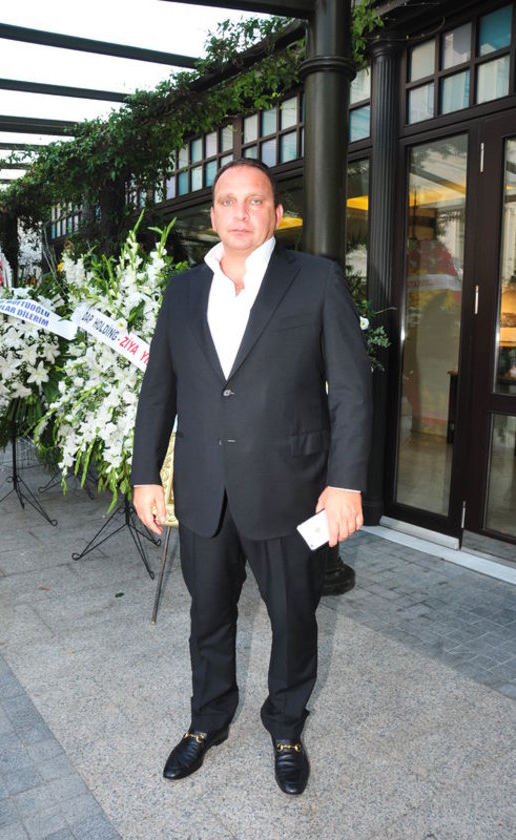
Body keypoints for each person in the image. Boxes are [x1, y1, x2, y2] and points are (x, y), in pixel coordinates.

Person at [131, 158, 372, 796]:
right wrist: (145, 474)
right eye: (228, 201)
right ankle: (208, 719)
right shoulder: (182, 291)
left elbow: (351, 391)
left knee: (293, 617)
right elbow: (159, 390)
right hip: (205, 490)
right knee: (207, 614)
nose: (240, 213)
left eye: (255, 201)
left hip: (292, 490)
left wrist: (346, 483)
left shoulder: (315, 280)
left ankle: (286, 726)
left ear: (277, 213)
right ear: (212, 215)